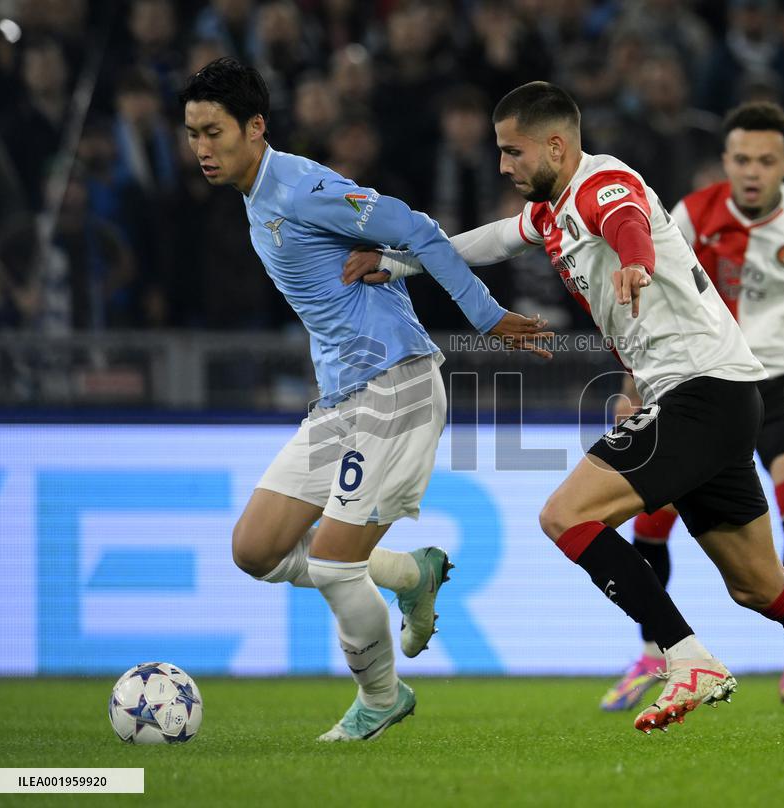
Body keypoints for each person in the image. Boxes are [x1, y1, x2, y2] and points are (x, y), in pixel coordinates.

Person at [345, 82, 784, 738]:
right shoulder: (550, 211)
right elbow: (490, 240)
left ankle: (686, 659)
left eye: (513, 152)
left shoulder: (601, 184)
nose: (504, 166)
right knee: (760, 585)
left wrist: (634, 261)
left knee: (564, 515)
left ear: (555, 145)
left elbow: (626, 219)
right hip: (717, 395)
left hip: (701, 391)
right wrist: (399, 264)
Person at [180, 58, 549, 742]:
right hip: (342, 400)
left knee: (331, 564)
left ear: (255, 128)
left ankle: (380, 697)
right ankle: (411, 575)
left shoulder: (299, 187)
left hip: (397, 387)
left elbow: (414, 226)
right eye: (193, 133)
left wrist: (486, 313)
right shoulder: (256, 198)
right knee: (255, 549)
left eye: (214, 131)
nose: (202, 148)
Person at [601, 101, 784, 717]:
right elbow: (651, 304)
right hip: (707, 378)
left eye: (766, 161)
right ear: (725, 161)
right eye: (742, 159)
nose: (753, 172)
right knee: (655, 512)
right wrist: (634, 387)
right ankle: (654, 655)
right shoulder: (691, 214)